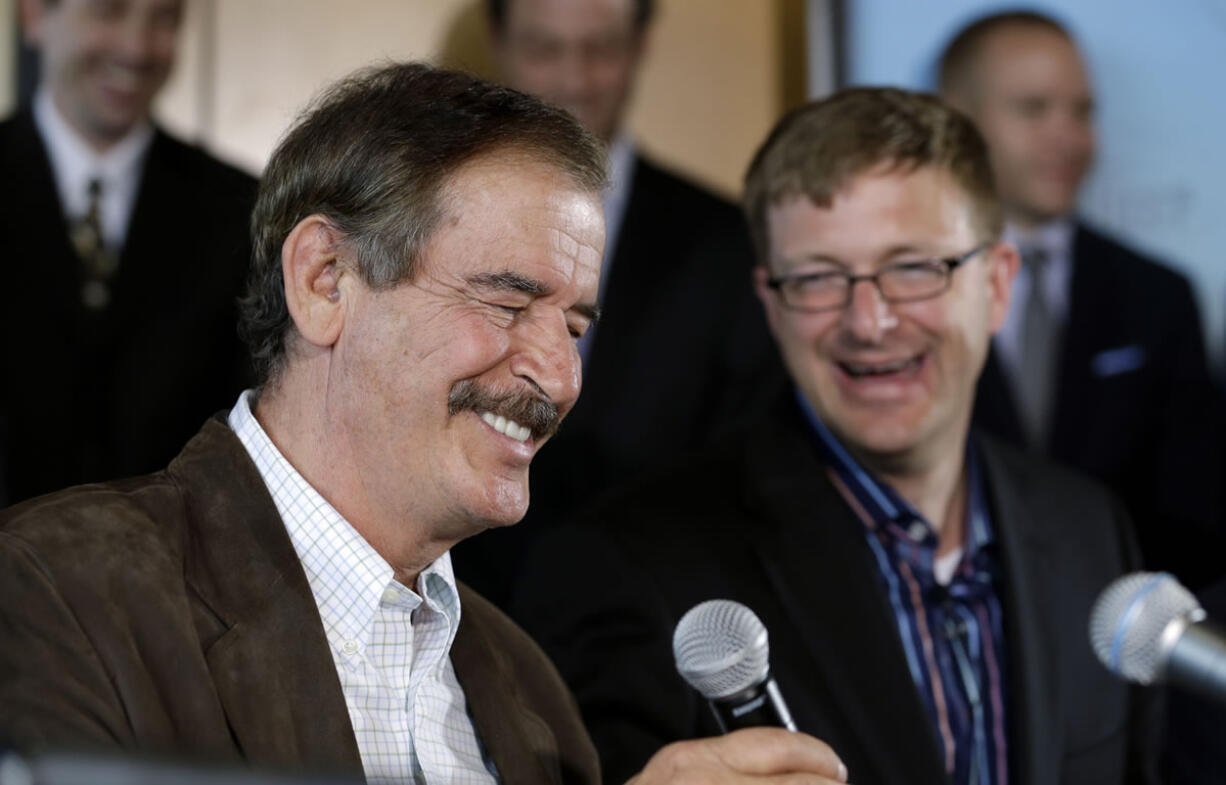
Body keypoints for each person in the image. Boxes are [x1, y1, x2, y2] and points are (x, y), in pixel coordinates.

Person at [0, 61, 849, 785]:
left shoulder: (529, 686)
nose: (559, 373)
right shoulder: (54, 588)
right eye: (508, 299)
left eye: (577, 327)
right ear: (326, 280)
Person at [514, 87, 1161, 785]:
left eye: (915, 267)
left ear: (998, 285)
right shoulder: (625, 567)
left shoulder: (1089, 532)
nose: (869, 320)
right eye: (819, 277)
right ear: (771, 303)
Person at [451, 0, 784, 608]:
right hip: (466, 617)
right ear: (497, 42)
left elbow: (747, 466)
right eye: (546, 49)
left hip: (660, 627)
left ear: (639, 45)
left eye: (600, 50)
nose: (574, 79)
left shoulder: (730, 246)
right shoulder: (436, 225)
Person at [938, 10, 1224, 589]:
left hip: (1120, 643)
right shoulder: (905, 292)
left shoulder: (1158, 297)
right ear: (957, 119)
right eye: (1034, 108)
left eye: (1083, 111)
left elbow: (1196, 516)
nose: (1068, 136)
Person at [0, 0, 257, 506]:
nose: (137, 48)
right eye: (109, 11)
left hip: (171, 571)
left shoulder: (244, 211)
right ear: (34, 15)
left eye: (163, 18)